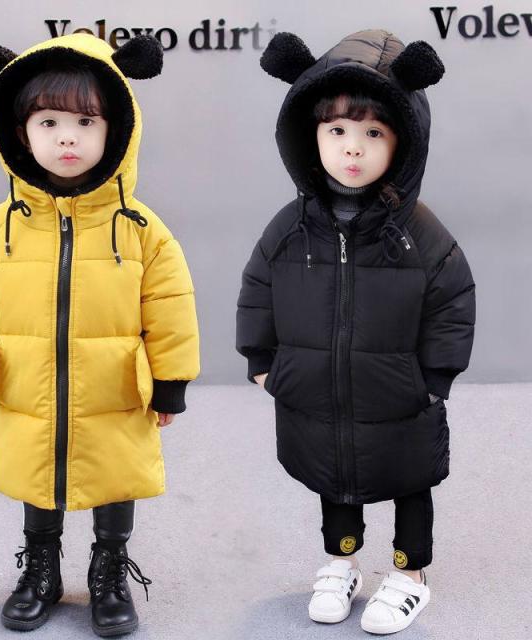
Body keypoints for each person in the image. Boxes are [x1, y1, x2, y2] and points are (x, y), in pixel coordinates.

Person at [0, 33, 200, 637]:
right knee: (37, 471)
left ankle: (109, 568)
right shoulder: (1, 228)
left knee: (115, 473)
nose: (67, 137)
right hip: (28, 387)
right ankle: (41, 569)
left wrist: (170, 383)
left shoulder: (140, 229)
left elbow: (170, 305)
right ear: (19, 132)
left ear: (117, 130)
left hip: (115, 389)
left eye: (86, 122)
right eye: (49, 122)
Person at [236, 29, 475, 634]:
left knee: (411, 479)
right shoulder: (290, 228)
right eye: (337, 130)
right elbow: (258, 290)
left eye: (373, 133)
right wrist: (263, 362)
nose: (352, 147)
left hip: (401, 395)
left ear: (403, 141)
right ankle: (342, 562)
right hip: (315, 390)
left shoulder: (420, 234)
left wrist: (433, 379)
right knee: (334, 477)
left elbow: (452, 300)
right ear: (309, 136)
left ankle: (410, 574)